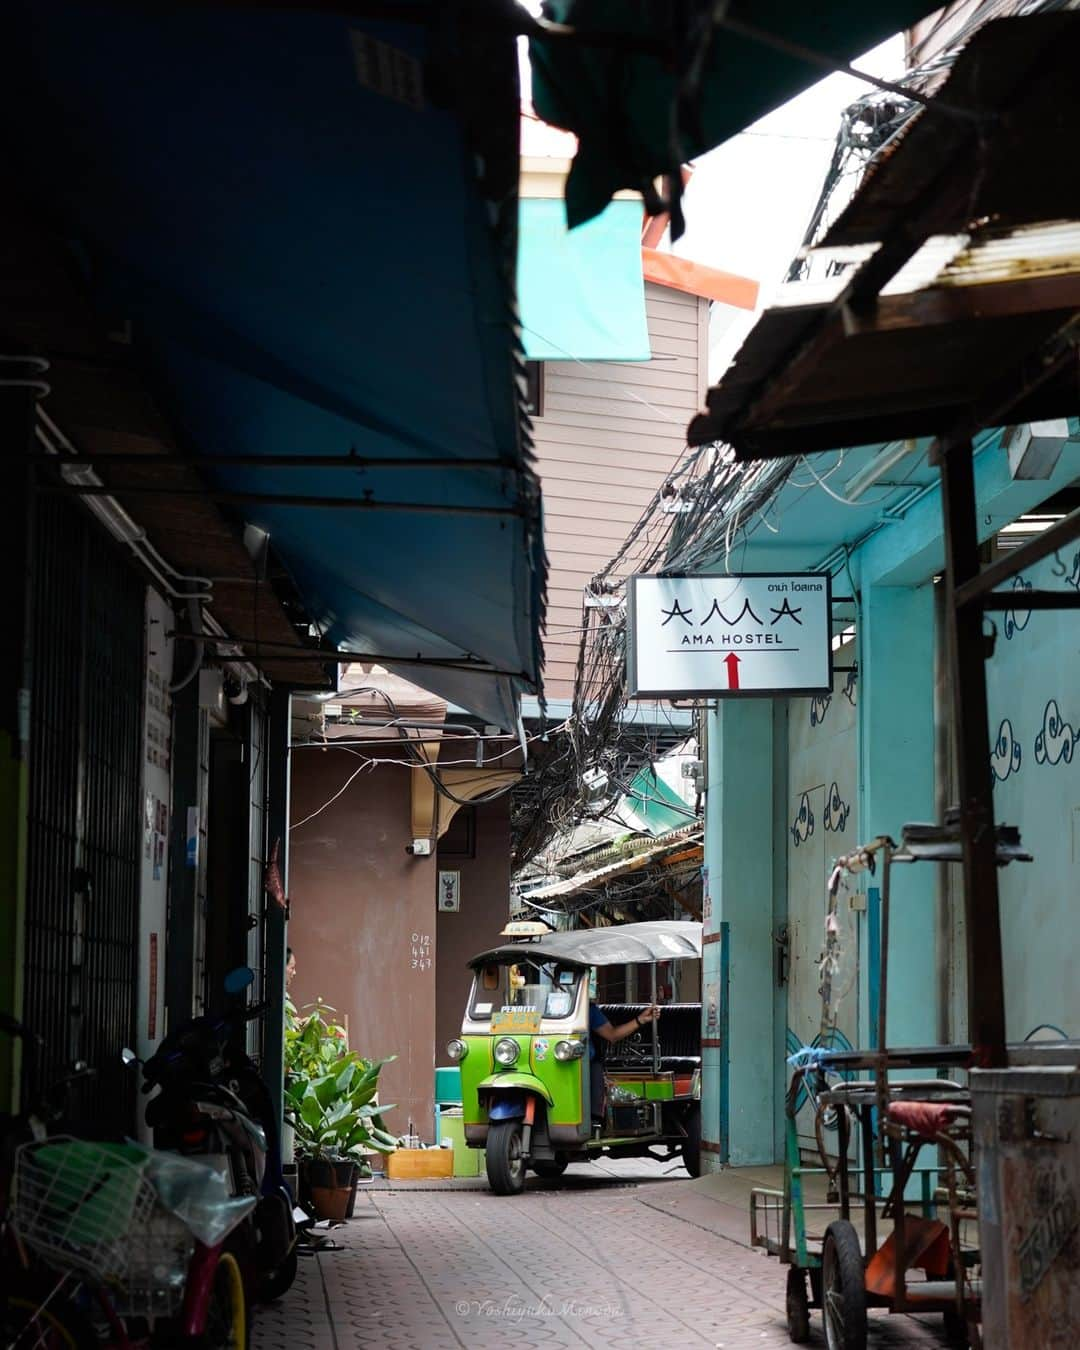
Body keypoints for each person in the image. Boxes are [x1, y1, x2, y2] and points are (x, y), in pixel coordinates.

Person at [588, 1002, 659, 1122]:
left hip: (584, 1063)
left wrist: (640, 1019)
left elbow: (612, 1034)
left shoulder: (587, 1009)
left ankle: (595, 1120)